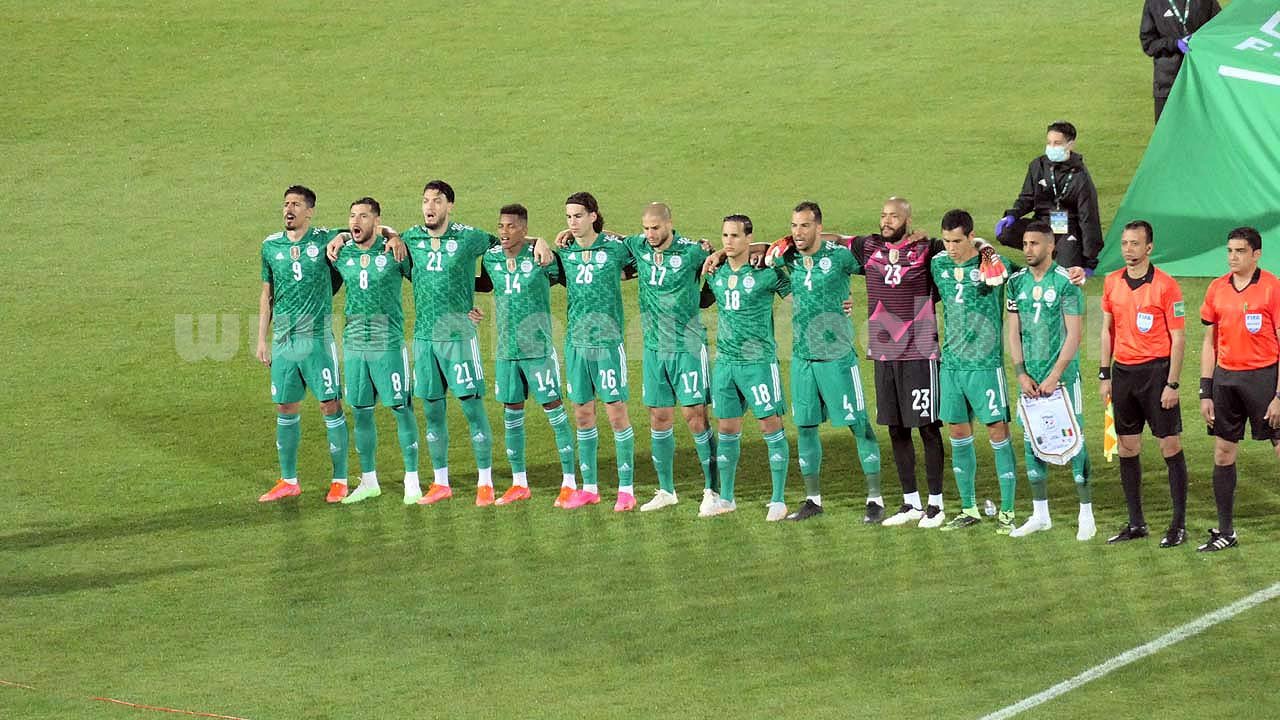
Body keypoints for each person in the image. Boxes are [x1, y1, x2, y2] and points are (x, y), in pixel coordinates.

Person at [402, 180, 549, 507]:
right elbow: (377, 238)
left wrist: (539, 241)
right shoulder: (410, 237)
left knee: (471, 407)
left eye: (437, 201)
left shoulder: (469, 237)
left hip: (458, 338)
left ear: (449, 206)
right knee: (432, 411)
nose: (429, 207)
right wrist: (362, 235)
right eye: (425, 200)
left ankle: (485, 482)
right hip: (425, 339)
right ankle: (441, 482)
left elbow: (507, 242)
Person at [765, 201, 883, 522]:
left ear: (818, 227)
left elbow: (880, 270)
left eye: (805, 225)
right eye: (793, 226)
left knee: (859, 425)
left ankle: (875, 499)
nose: (797, 232)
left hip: (838, 357)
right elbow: (756, 250)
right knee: (805, 427)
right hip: (803, 357)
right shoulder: (788, 256)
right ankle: (813, 500)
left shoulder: (840, 257)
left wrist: (855, 301)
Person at [610, 204, 721, 515]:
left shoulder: (692, 251)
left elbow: (720, 268)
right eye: (646, 228)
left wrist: (703, 297)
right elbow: (609, 239)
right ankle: (666, 491)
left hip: (687, 347)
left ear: (669, 224)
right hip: (653, 348)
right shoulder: (639, 245)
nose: (650, 234)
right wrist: (567, 233)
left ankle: (713, 491)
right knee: (658, 417)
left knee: (695, 417)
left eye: (655, 228)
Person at [474, 204, 579, 506]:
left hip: (538, 350)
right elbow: (482, 285)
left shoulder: (541, 259)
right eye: (501, 226)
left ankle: (570, 483)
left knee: (555, 412)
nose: (504, 232)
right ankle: (519, 483)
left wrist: (540, 243)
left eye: (511, 226)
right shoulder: (492, 258)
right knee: (511, 416)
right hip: (506, 352)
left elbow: (573, 279)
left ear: (524, 228)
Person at [256, 185, 351, 503]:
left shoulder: (324, 239)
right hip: (283, 341)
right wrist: (261, 340)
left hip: (317, 339)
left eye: (296, 204)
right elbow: (267, 295)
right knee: (285, 406)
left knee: (329, 404)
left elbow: (364, 230)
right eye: (286, 204)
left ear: (309, 211)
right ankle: (288, 480)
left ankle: (340, 480)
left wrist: (344, 237)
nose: (289, 209)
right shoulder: (270, 246)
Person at [1099, 220, 1190, 547]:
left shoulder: (1167, 286)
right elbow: (1105, 330)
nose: (1128, 249)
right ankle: (1136, 523)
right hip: (1123, 374)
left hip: (1156, 374)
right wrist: (1104, 373)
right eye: (1125, 243)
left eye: (1135, 243)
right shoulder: (1111, 282)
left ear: (1149, 248)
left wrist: (1172, 384)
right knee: (1127, 447)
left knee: (1170, 446)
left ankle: (1178, 525)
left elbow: (1179, 338)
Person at [1005, 221, 1096, 540]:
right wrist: (1020, 372)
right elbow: (1012, 332)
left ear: (1050, 246)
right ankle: (1040, 514)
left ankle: (1086, 514)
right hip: (1030, 380)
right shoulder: (1015, 283)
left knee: (1074, 442)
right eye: (1025, 244)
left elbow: (1075, 334)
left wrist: (1055, 374)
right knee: (1033, 441)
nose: (1027, 249)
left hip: (1063, 381)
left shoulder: (1066, 282)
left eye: (1034, 243)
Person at [931, 210, 1019, 533]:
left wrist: (988, 250)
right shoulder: (938, 264)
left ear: (970, 236)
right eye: (947, 241)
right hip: (952, 366)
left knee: (998, 433)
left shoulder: (994, 266)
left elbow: (1029, 274)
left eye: (957, 241)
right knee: (957, 434)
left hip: (985, 366)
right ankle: (969, 508)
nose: (951, 248)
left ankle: (1008, 511)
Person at [554, 192, 640, 511]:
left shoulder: (614, 248)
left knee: (616, 413)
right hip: (576, 344)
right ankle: (589, 488)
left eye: (578, 216)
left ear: (593, 216)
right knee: (582, 414)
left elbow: (641, 249)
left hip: (607, 344)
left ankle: (626, 490)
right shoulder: (565, 252)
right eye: (568, 217)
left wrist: (610, 238)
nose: (572, 223)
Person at [332, 197, 421, 505]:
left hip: (388, 344)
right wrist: (341, 235)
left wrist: (392, 234)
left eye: (363, 216)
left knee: (401, 408)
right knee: (360, 412)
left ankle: (412, 480)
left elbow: (426, 279)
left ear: (377, 221)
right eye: (352, 216)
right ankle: (369, 481)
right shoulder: (342, 253)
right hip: (355, 345)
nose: (356, 221)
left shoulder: (394, 251)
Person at [703, 214, 792, 519]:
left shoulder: (767, 272)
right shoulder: (715, 272)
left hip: (759, 363)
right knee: (727, 428)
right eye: (725, 235)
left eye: (735, 236)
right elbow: (700, 300)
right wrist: (713, 255)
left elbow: (798, 295)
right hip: (726, 364)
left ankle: (778, 500)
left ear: (748, 238)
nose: (728, 241)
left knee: (771, 426)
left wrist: (837, 304)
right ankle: (727, 499)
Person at [1197, 226, 1280, 552]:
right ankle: (1226, 531)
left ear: (1256, 254)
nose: (1233, 257)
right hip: (1226, 380)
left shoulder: (1272, 288)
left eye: (1240, 251)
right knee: (1222, 452)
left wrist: (1278, 396)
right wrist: (1206, 391)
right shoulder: (1217, 288)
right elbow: (1209, 343)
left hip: (1264, 379)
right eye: (1230, 250)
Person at [994, 121, 1103, 272]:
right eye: (1049, 142)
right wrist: (1012, 215)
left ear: (1070, 145)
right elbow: (1027, 198)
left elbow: (1088, 217)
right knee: (1006, 232)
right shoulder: (1037, 165)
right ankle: (1044, 249)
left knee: (1066, 270)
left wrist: (1090, 259)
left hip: (1067, 228)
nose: (1052, 147)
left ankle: (1058, 250)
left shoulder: (1080, 176)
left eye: (1057, 143)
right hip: (1041, 223)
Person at [1141, 0, 1221, 122]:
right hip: (1167, 85)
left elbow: (1219, 29)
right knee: (1167, 131)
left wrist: (1200, 42)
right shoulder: (1154, 3)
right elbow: (1148, 43)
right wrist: (1174, 44)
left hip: (1200, 82)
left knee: (1200, 129)